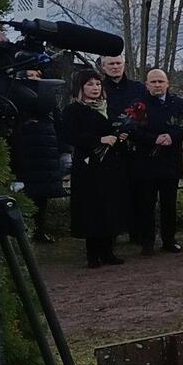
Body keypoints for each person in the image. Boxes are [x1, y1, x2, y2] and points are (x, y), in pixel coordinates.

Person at [61, 69, 129, 268]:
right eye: (90, 84)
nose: (95, 88)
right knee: (92, 208)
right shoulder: (73, 110)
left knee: (110, 206)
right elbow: (70, 136)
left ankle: (108, 251)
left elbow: (116, 130)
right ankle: (93, 254)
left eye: (98, 84)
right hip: (89, 166)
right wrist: (98, 140)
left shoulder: (110, 108)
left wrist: (121, 137)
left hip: (111, 165)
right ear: (81, 87)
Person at [127, 69, 183, 255]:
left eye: (160, 81)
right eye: (153, 82)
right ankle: (147, 242)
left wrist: (173, 137)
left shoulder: (178, 103)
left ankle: (169, 240)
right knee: (146, 205)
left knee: (169, 205)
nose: (157, 85)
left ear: (167, 83)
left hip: (170, 161)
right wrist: (153, 139)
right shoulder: (138, 104)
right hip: (146, 162)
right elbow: (131, 129)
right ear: (147, 84)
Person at [9, 70, 68, 243]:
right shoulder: (15, 99)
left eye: (37, 76)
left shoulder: (49, 102)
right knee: (22, 194)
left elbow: (59, 125)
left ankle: (39, 231)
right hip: (24, 153)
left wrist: (64, 152)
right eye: (30, 76)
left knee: (41, 196)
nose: (34, 79)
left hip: (45, 154)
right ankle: (20, 232)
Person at [100, 54, 149, 244]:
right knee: (112, 192)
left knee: (139, 191)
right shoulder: (99, 87)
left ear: (124, 65)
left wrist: (133, 131)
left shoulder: (137, 88)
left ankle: (137, 232)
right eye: (110, 64)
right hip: (109, 145)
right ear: (103, 67)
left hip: (135, 145)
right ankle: (112, 232)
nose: (115, 67)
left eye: (118, 63)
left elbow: (145, 114)